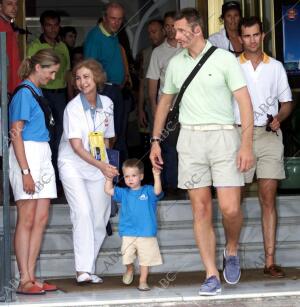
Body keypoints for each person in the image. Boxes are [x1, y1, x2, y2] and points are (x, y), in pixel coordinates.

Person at [150, 8, 254, 295]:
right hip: (191, 140)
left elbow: (245, 102)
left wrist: (246, 144)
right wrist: (155, 140)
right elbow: (164, 102)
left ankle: (231, 250)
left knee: (231, 208)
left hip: (224, 137)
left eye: (181, 30)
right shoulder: (174, 63)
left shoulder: (224, 59)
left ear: (197, 31)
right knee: (201, 208)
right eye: (174, 30)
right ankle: (211, 274)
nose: (175, 34)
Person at [234, 16, 294, 278]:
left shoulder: (276, 67)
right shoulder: (231, 65)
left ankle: (269, 261)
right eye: (246, 36)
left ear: (263, 36)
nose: (252, 40)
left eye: (256, 34)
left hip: (270, 135)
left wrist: (280, 116)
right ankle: (232, 256)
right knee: (233, 201)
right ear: (240, 38)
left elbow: (287, 101)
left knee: (268, 198)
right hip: (239, 135)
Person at [58, 59, 119, 284]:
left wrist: (107, 166)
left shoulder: (108, 103)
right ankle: (82, 269)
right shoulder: (72, 108)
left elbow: (106, 138)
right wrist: (101, 165)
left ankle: (88, 267)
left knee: (100, 217)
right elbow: (76, 147)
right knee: (82, 212)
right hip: (72, 164)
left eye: (86, 77)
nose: (82, 82)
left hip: (98, 166)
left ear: (96, 78)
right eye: (78, 78)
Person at [9, 49, 60, 295]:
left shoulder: (37, 92)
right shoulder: (23, 93)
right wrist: (25, 171)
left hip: (42, 152)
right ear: (38, 68)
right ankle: (23, 279)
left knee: (40, 219)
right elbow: (16, 134)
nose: (52, 77)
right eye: (51, 72)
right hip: (26, 154)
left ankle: (30, 277)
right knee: (26, 218)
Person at [104, 158, 163, 291]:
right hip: (128, 232)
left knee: (145, 260)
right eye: (127, 176)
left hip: (146, 233)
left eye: (134, 176)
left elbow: (158, 192)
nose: (130, 179)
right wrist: (108, 179)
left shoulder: (148, 190)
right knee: (127, 257)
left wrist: (157, 176)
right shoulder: (123, 192)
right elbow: (108, 191)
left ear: (141, 176)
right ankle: (130, 269)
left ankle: (143, 281)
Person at [27, 10, 70, 187]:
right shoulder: (35, 46)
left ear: (59, 26)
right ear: (43, 27)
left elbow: (67, 73)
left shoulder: (63, 47)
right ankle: (45, 181)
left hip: (60, 96)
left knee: (61, 138)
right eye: (48, 25)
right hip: (42, 96)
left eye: (55, 25)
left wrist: (71, 99)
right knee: (45, 138)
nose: (52, 29)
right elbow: (30, 73)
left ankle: (60, 182)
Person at [84, 2, 128, 164]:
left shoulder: (113, 35)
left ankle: (115, 178)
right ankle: (103, 176)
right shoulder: (95, 37)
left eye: (120, 19)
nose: (116, 22)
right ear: (104, 18)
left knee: (117, 134)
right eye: (113, 18)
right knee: (103, 135)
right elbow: (89, 69)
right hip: (102, 91)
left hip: (115, 90)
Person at [146, 11, 181, 195]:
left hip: (190, 108)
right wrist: (154, 109)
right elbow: (152, 86)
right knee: (168, 149)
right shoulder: (158, 52)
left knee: (187, 148)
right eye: (166, 26)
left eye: (173, 25)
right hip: (167, 109)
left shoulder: (188, 48)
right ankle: (171, 187)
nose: (170, 29)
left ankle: (187, 186)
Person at [137, 19, 165, 130]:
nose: (151, 36)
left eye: (154, 32)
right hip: (151, 104)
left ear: (163, 31)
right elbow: (142, 83)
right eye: (149, 33)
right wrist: (140, 109)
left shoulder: (175, 50)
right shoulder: (146, 53)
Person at [0, 0, 21, 94]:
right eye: (9, 4)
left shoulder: (7, 25)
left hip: (10, 86)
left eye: (16, 4)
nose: (14, 7)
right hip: (4, 88)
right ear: (0, 6)